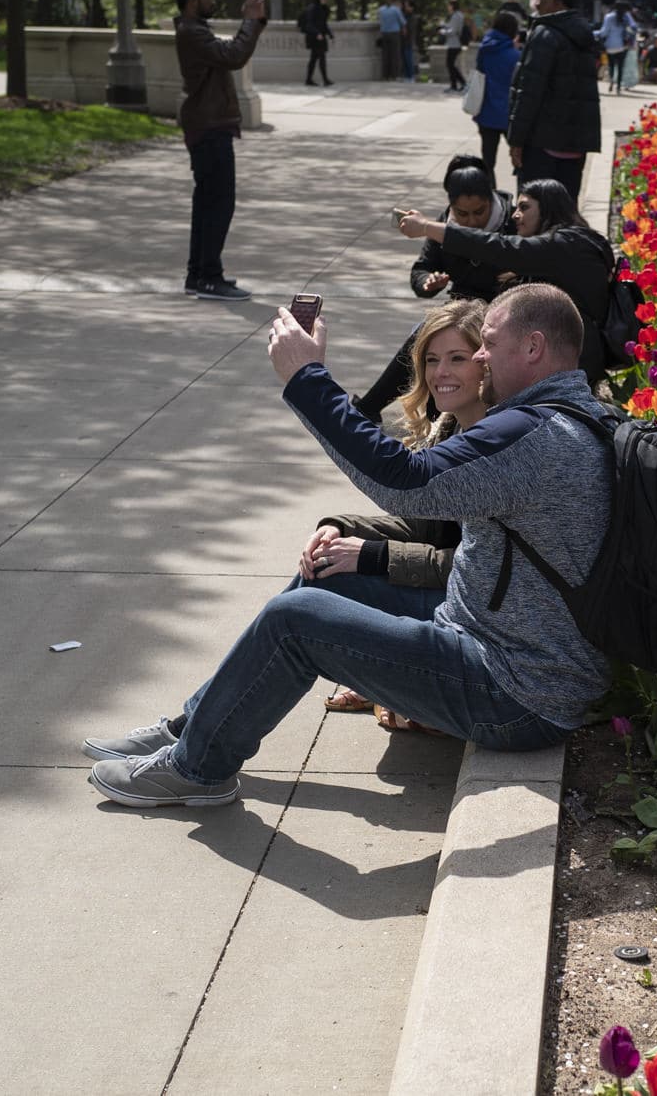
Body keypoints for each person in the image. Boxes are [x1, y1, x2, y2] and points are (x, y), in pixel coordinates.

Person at [83, 283, 613, 808]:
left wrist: (306, 379)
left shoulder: (535, 438)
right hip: (496, 641)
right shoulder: (572, 417)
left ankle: (198, 771)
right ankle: (194, 725)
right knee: (326, 576)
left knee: (296, 619)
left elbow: (401, 478)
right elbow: (430, 519)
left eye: (486, 345)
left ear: (534, 348)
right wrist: (350, 534)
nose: (478, 355)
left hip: (516, 691)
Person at [315, 300, 488, 731]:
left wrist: (372, 556)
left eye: (456, 359)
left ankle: (386, 684)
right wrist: (340, 527)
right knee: (324, 561)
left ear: (487, 362)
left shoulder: (500, 444)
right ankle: (381, 682)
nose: (439, 372)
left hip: (479, 618)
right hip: (452, 597)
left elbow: (474, 565)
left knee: (300, 611)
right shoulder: (449, 425)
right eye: (431, 360)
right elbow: (427, 527)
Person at [397, 177, 612, 385]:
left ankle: (369, 409)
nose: (516, 215)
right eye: (516, 208)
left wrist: (426, 227)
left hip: (572, 360)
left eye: (524, 207)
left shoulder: (564, 244)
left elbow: (497, 247)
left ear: (547, 208)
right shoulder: (570, 242)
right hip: (558, 352)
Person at [356, 158, 513, 419]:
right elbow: (420, 270)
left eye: (479, 212)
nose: (471, 221)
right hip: (459, 306)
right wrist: (428, 282)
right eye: (463, 214)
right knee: (425, 338)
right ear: (451, 207)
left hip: (502, 307)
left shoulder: (511, 220)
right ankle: (372, 409)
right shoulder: (444, 224)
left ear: (491, 199)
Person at [174, 0, 265, 301]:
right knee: (218, 203)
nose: (213, 1)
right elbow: (233, 56)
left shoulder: (194, 30)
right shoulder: (191, 33)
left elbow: (228, 54)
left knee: (207, 203)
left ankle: (198, 274)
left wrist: (252, 22)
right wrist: (250, 21)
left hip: (210, 125)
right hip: (209, 127)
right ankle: (209, 276)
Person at [506, 0, 602, 200]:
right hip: (575, 145)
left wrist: (516, 140)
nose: (537, 2)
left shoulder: (545, 34)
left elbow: (529, 92)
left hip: (542, 144)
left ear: (557, 0)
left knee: (533, 216)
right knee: (565, 214)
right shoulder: (583, 34)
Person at [472, 9, 523, 170]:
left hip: (486, 111)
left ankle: (490, 193)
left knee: (488, 161)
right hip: (511, 114)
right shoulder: (516, 56)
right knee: (521, 160)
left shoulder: (484, 50)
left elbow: (480, 72)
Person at [598, 1, 640, 94]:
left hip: (610, 46)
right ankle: (618, 87)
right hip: (622, 46)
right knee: (621, 66)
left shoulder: (609, 17)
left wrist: (594, 33)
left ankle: (612, 81)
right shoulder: (626, 17)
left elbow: (604, 32)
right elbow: (634, 28)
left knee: (611, 65)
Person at [299, 0, 334, 87]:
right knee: (321, 58)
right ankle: (325, 80)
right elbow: (309, 24)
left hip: (321, 36)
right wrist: (317, 33)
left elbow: (323, 23)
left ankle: (309, 79)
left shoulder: (323, 9)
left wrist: (330, 33)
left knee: (314, 59)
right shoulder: (312, 8)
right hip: (314, 37)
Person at [441, 0, 469, 92]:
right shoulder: (457, 15)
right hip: (454, 44)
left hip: (455, 44)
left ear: (452, 6)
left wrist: (443, 31)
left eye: (449, 5)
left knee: (450, 64)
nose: (447, 7)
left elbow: (453, 31)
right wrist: (444, 25)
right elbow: (452, 27)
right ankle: (459, 84)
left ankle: (458, 85)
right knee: (450, 65)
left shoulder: (456, 16)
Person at [376, 0, 404, 80]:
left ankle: (385, 75)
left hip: (384, 33)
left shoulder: (380, 10)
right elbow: (402, 21)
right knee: (395, 55)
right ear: (393, 2)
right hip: (394, 33)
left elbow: (379, 20)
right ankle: (395, 75)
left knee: (385, 55)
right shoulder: (396, 10)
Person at [400, 0, 419, 82]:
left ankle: (411, 76)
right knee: (404, 58)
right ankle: (407, 76)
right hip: (403, 40)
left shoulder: (412, 17)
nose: (405, 7)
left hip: (409, 40)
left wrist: (405, 29)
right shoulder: (404, 15)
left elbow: (410, 29)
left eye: (407, 5)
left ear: (412, 7)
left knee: (409, 59)